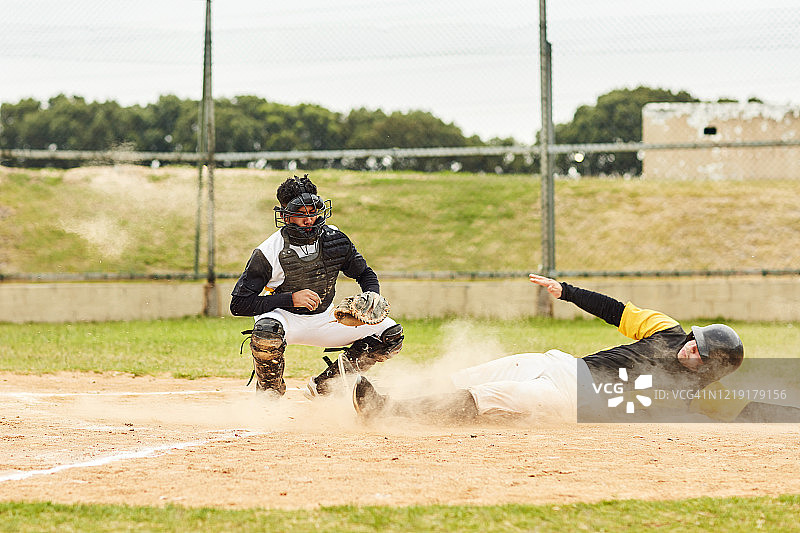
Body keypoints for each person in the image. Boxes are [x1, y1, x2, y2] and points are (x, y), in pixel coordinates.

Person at [353, 273, 800, 423]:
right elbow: (615, 309)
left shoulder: (699, 396)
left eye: (700, 354)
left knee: (494, 398)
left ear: (711, 369)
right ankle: (399, 394)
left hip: (575, 401)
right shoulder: (669, 330)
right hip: (562, 365)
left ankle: (389, 411)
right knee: (482, 373)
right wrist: (565, 290)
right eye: (695, 342)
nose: (690, 350)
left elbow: (756, 409)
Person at [230, 174, 403, 398]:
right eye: (300, 215)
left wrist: (372, 295)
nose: (309, 220)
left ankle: (326, 385)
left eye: (313, 212)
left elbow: (365, 273)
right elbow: (239, 304)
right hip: (283, 318)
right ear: (284, 215)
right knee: (266, 333)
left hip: (326, 318)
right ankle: (269, 392)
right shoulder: (268, 251)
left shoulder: (335, 239)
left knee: (391, 336)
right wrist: (290, 299)